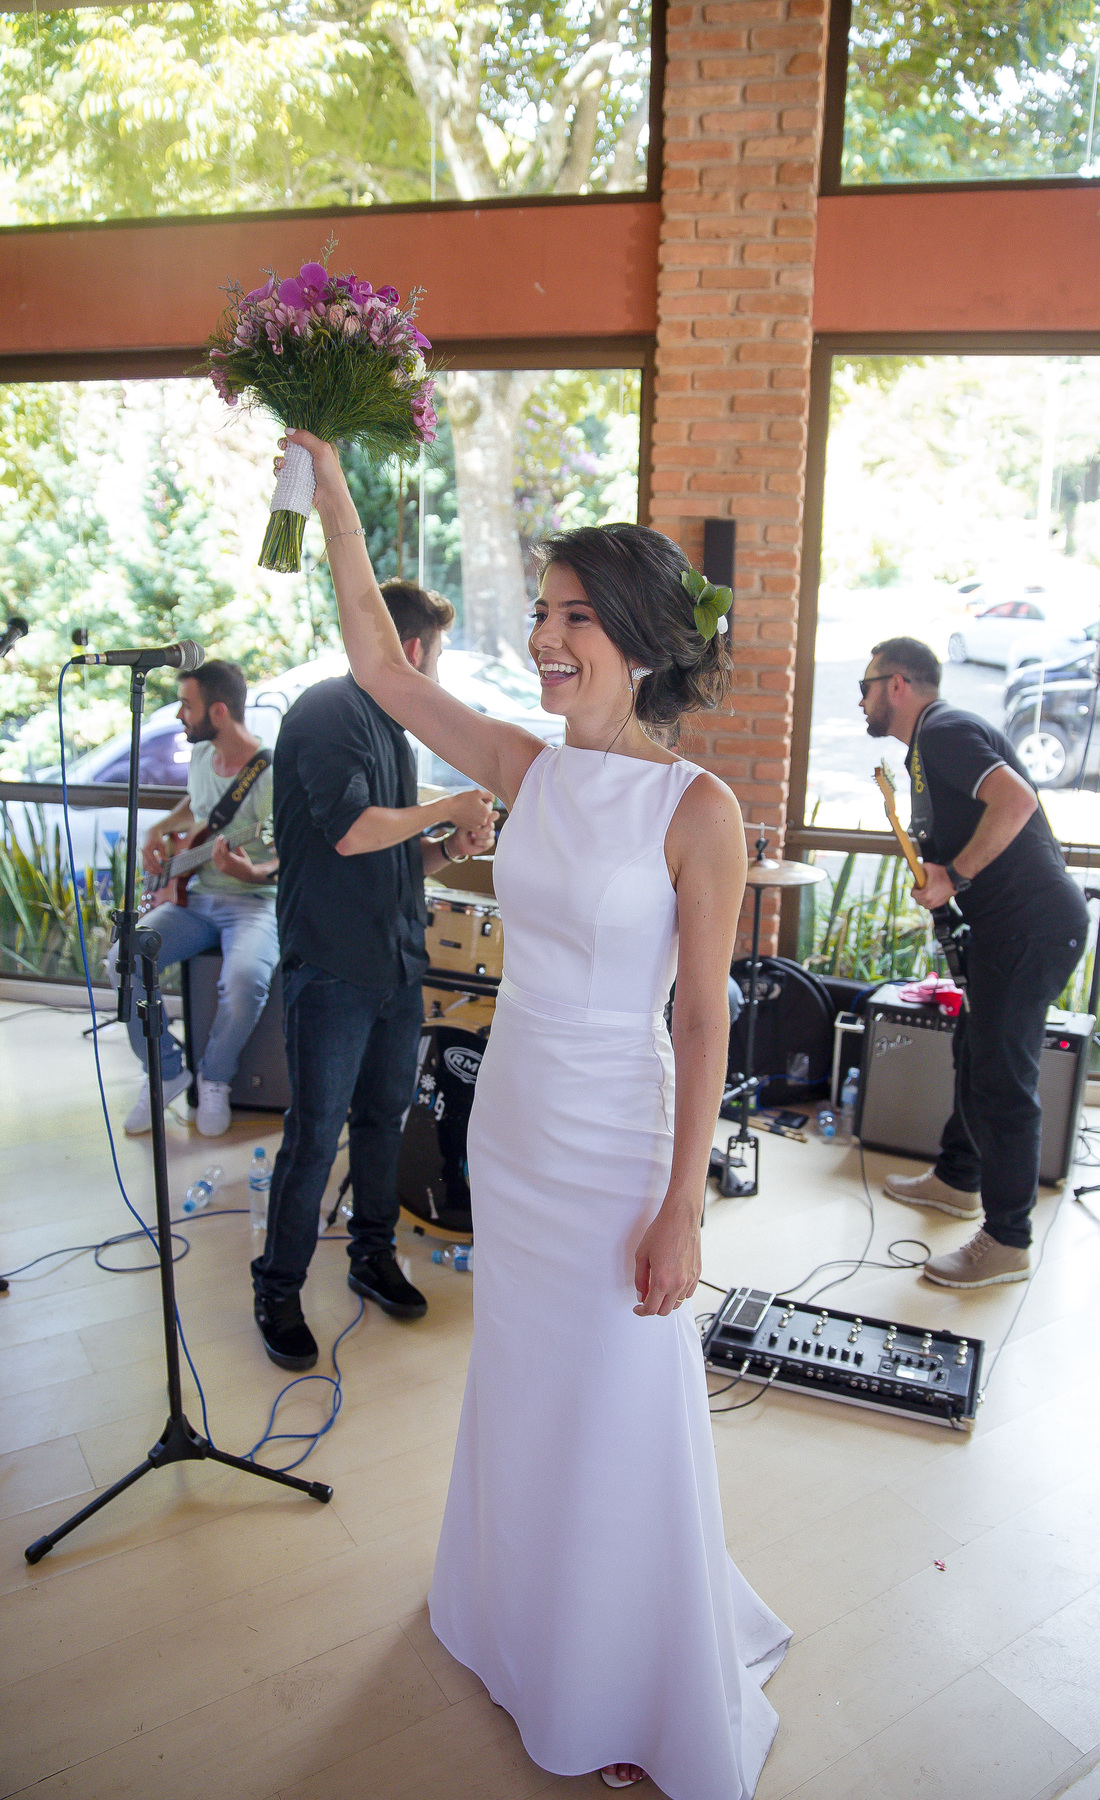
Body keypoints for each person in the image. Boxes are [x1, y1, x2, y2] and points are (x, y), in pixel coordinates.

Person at [281, 425, 791, 1799]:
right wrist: (333, 492)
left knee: (621, 1395)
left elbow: (702, 1016)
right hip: (511, 1123)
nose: (548, 637)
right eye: (546, 614)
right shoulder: (527, 767)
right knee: (526, 1381)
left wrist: (683, 1201)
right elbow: (382, 667)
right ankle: (517, 1620)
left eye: (575, 617)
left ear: (637, 638)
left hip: (619, 1139)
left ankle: (633, 1672)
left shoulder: (701, 808)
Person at [251, 579, 496, 1372]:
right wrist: (446, 805)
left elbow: (396, 855)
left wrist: (449, 848)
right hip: (331, 964)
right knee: (316, 1134)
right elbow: (355, 834)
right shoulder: (327, 710)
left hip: (394, 960)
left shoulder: (394, 732)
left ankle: (370, 1255)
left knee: (386, 1119)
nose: (436, 672)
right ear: (411, 650)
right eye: (439, 656)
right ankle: (279, 1288)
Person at [860, 636, 1089, 1288]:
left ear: (898, 684)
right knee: (974, 1051)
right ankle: (959, 1180)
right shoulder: (928, 747)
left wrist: (953, 875)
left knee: (1002, 1080)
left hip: (1032, 930)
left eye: (866, 687)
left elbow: (1016, 801)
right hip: (1005, 931)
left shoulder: (948, 729)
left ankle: (1008, 1240)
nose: (862, 701)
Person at [108, 658, 280, 1138]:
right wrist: (161, 830)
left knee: (245, 980)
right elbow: (198, 808)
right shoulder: (204, 757)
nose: (180, 715)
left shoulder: (270, 772)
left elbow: (287, 852)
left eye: (187, 705)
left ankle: (215, 1076)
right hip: (196, 897)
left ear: (219, 711)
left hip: (255, 902)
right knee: (123, 960)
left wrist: (252, 869)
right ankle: (165, 1072)